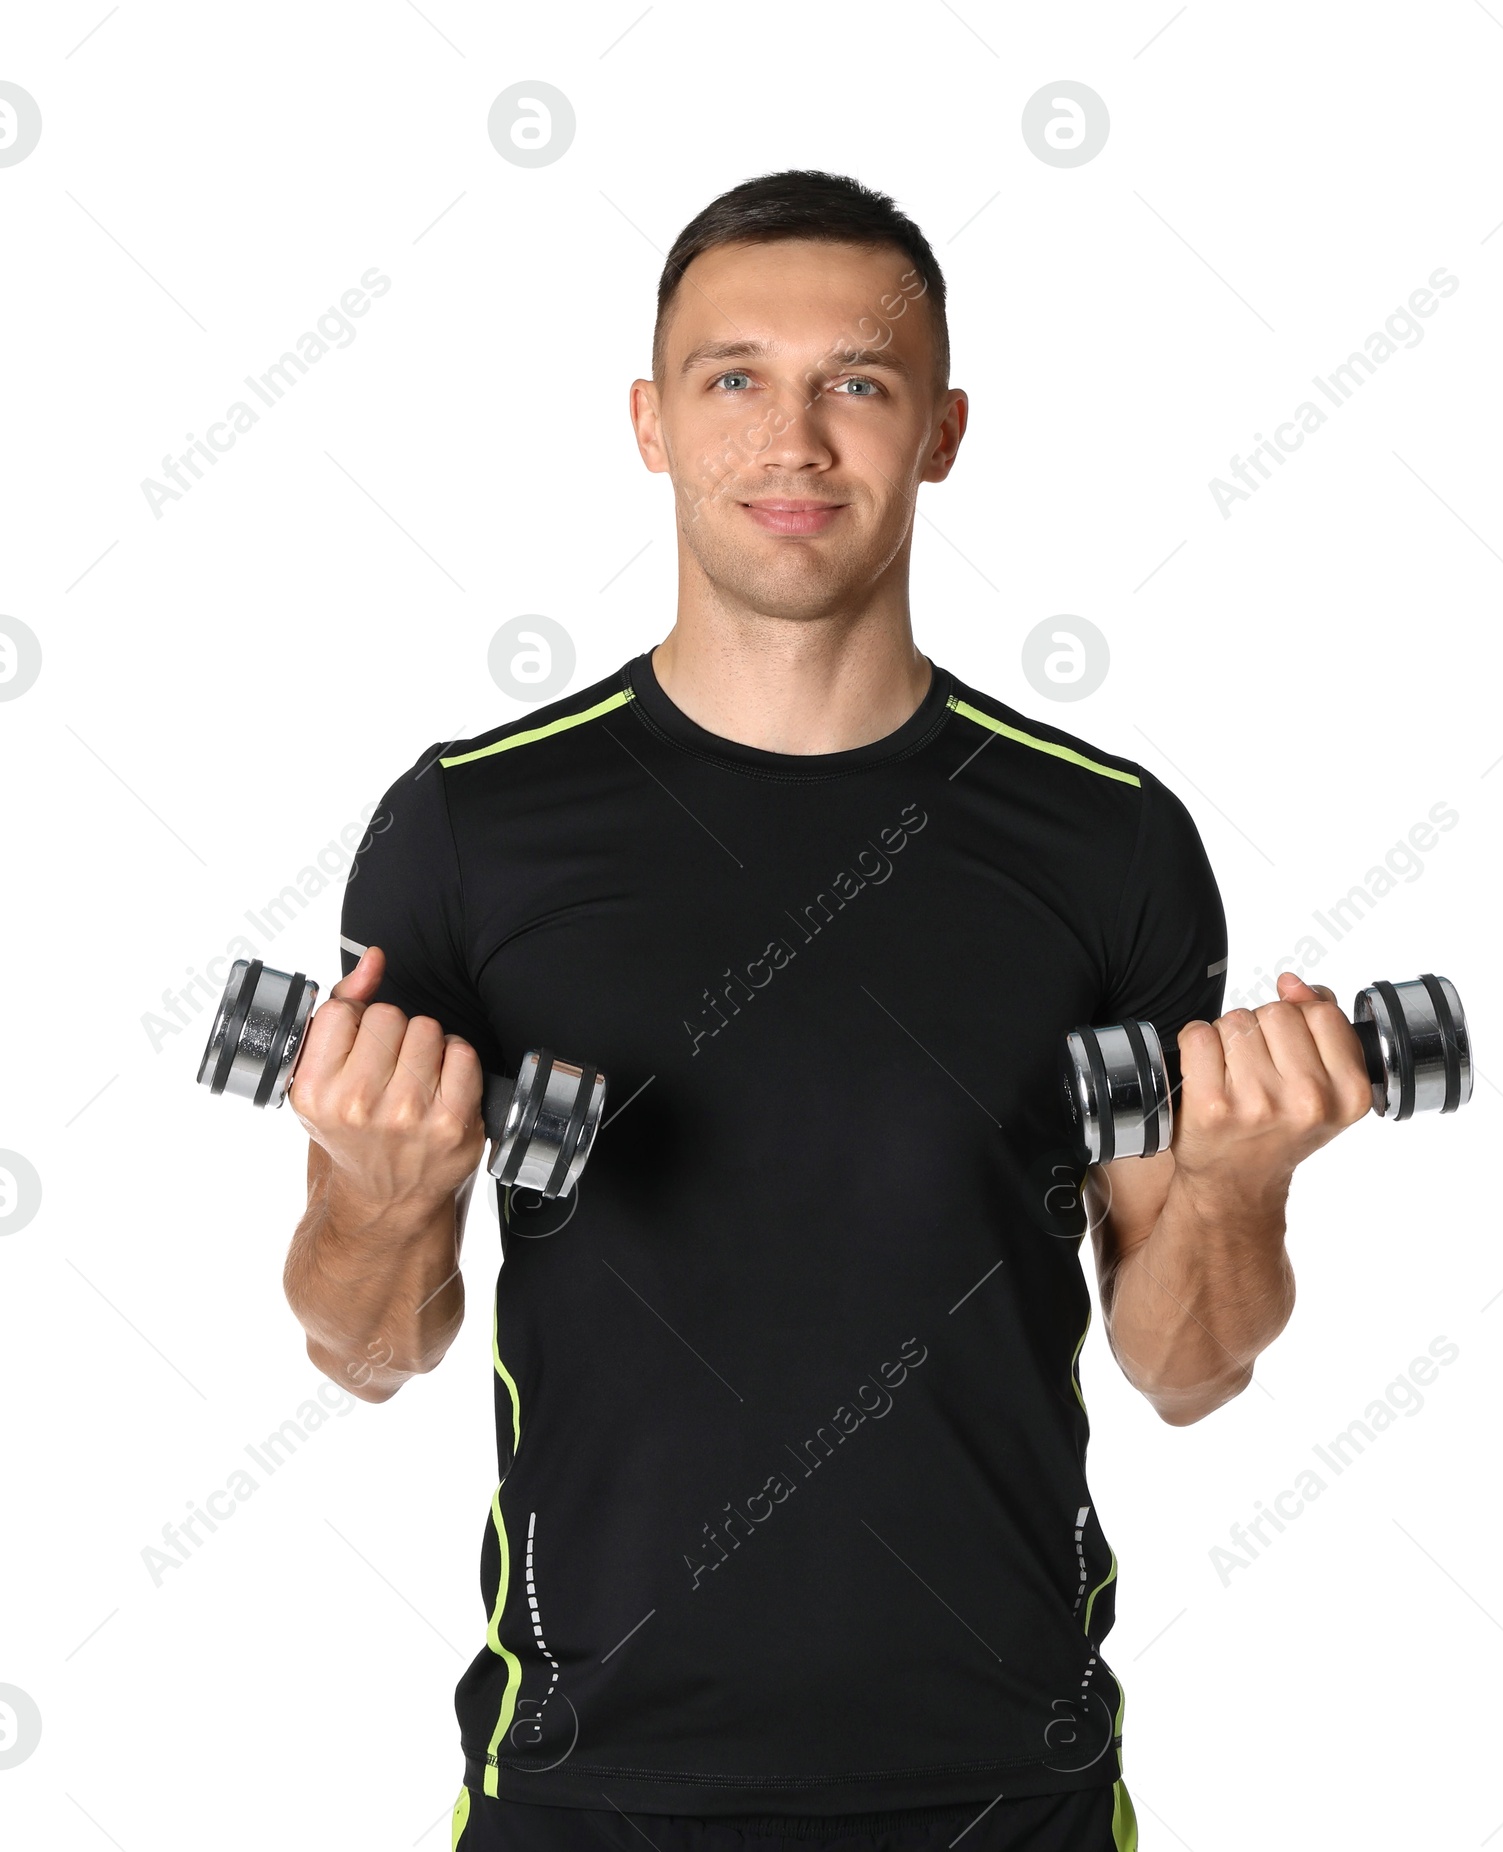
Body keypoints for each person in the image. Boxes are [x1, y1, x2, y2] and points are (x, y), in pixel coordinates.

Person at [282, 170, 1374, 1852]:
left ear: (940, 430)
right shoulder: (471, 828)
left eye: (855, 384)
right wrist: (375, 1189)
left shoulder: (1107, 841)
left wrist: (1241, 1181)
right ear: (651, 424)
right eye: (734, 379)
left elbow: (1190, 1369)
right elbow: (369, 1349)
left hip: (1006, 1787)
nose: (792, 439)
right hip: (591, 1790)